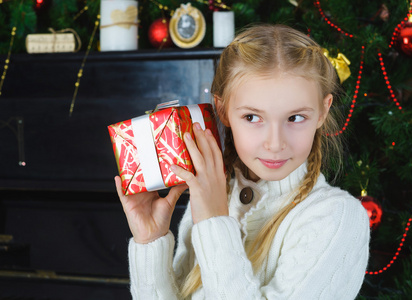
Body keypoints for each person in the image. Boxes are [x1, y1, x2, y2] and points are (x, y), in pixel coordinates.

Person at [115, 24, 370, 299]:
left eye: (295, 118)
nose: (275, 143)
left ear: (322, 111)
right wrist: (150, 241)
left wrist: (214, 222)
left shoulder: (338, 218)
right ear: (223, 111)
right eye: (252, 117)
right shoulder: (216, 197)